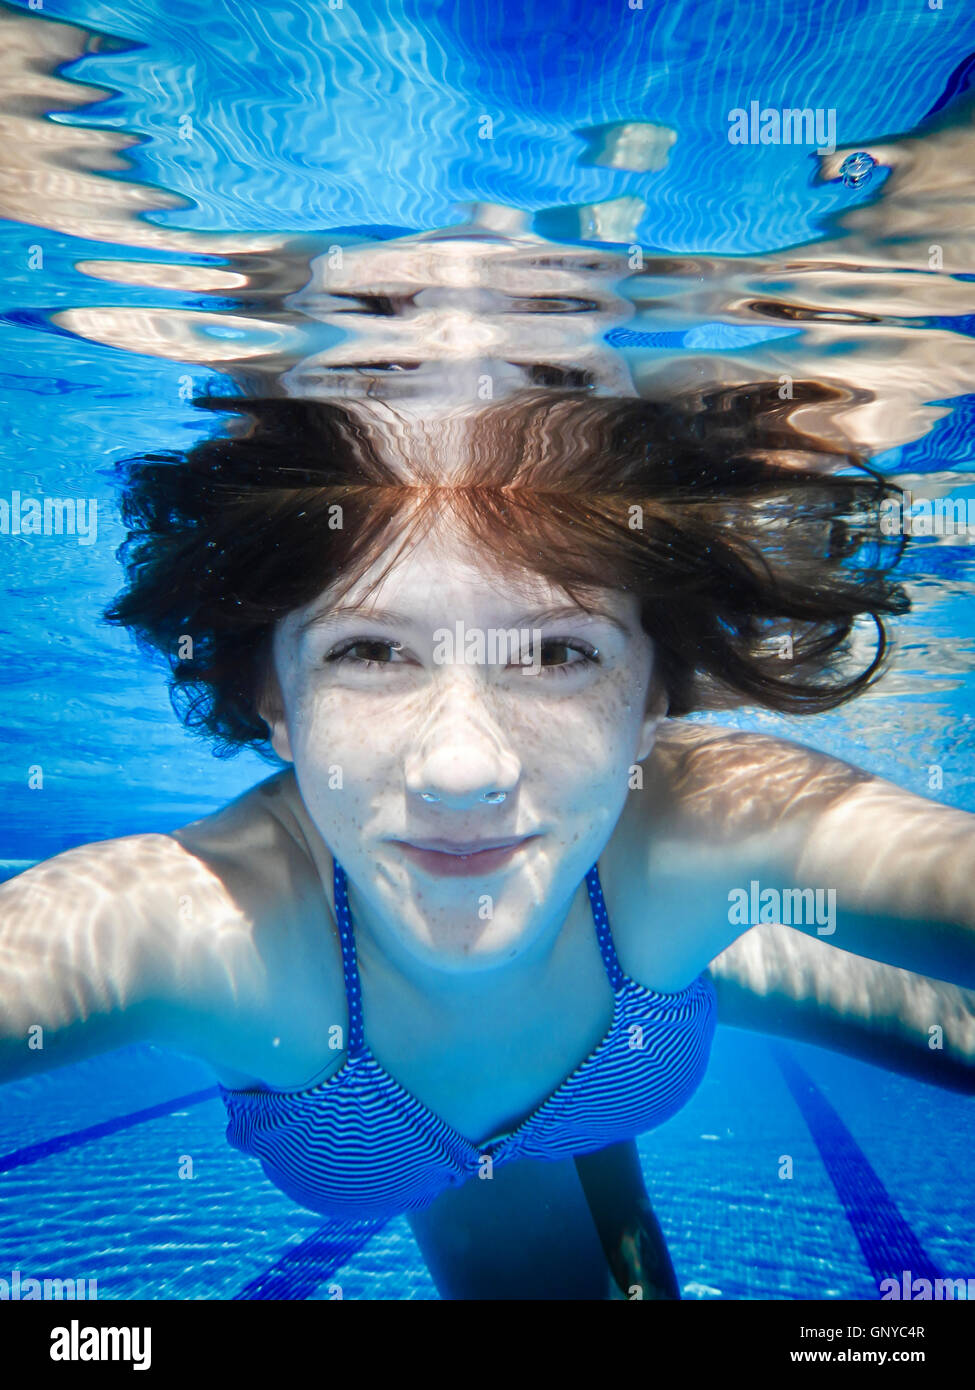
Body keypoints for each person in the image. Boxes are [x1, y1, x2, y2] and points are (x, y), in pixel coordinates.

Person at [2, 385, 974, 1300]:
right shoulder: (200, 922)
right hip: (471, 1077)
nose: (463, 772)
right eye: (372, 651)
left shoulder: (698, 825)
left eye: (558, 652)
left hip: (649, 963)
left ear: (652, 704)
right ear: (273, 699)